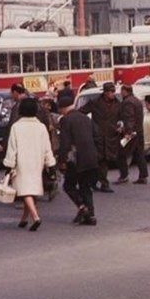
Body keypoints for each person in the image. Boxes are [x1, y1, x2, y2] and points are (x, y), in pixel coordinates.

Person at [2, 97, 57, 231]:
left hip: (21, 163)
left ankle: (35, 217)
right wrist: (51, 165)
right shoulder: (41, 127)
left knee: (25, 190)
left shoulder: (16, 127)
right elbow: (47, 148)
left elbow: (12, 148)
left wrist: (9, 165)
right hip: (37, 162)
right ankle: (23, 219)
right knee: (30, 191)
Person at [56, 93, 99, 226]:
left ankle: (82, 207)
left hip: (76, 160)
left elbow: (65, 143)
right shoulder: (85, 118)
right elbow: (97, 136)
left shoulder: (66, 120)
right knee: (86, 187)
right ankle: (90, 215)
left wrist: (61, 161)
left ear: (63, 108)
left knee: (69, 186)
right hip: (91, 158)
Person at [80, 81, 121, 192]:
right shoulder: (95, 102)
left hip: (111, 136)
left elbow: (121, 117)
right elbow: (81, 112)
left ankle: (97, 182)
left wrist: (121, 126)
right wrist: (89, 125)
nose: (113, 94)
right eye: (111, 92)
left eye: (114, 91)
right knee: (99, 159)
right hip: (98, 136)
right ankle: (102, 183)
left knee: (106, 159)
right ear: (105, 93)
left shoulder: (117, 103)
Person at [117, 84, 149, 185]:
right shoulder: (137, 100)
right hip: (139, 132)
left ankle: (124, 176)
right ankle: (143, 176)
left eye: (121, 91)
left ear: (125, 91)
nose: (120, 93)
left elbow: (129, 118)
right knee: (139, 154)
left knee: (121, 154)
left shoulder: (127, 102)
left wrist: (128, 132)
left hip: (131, 134)